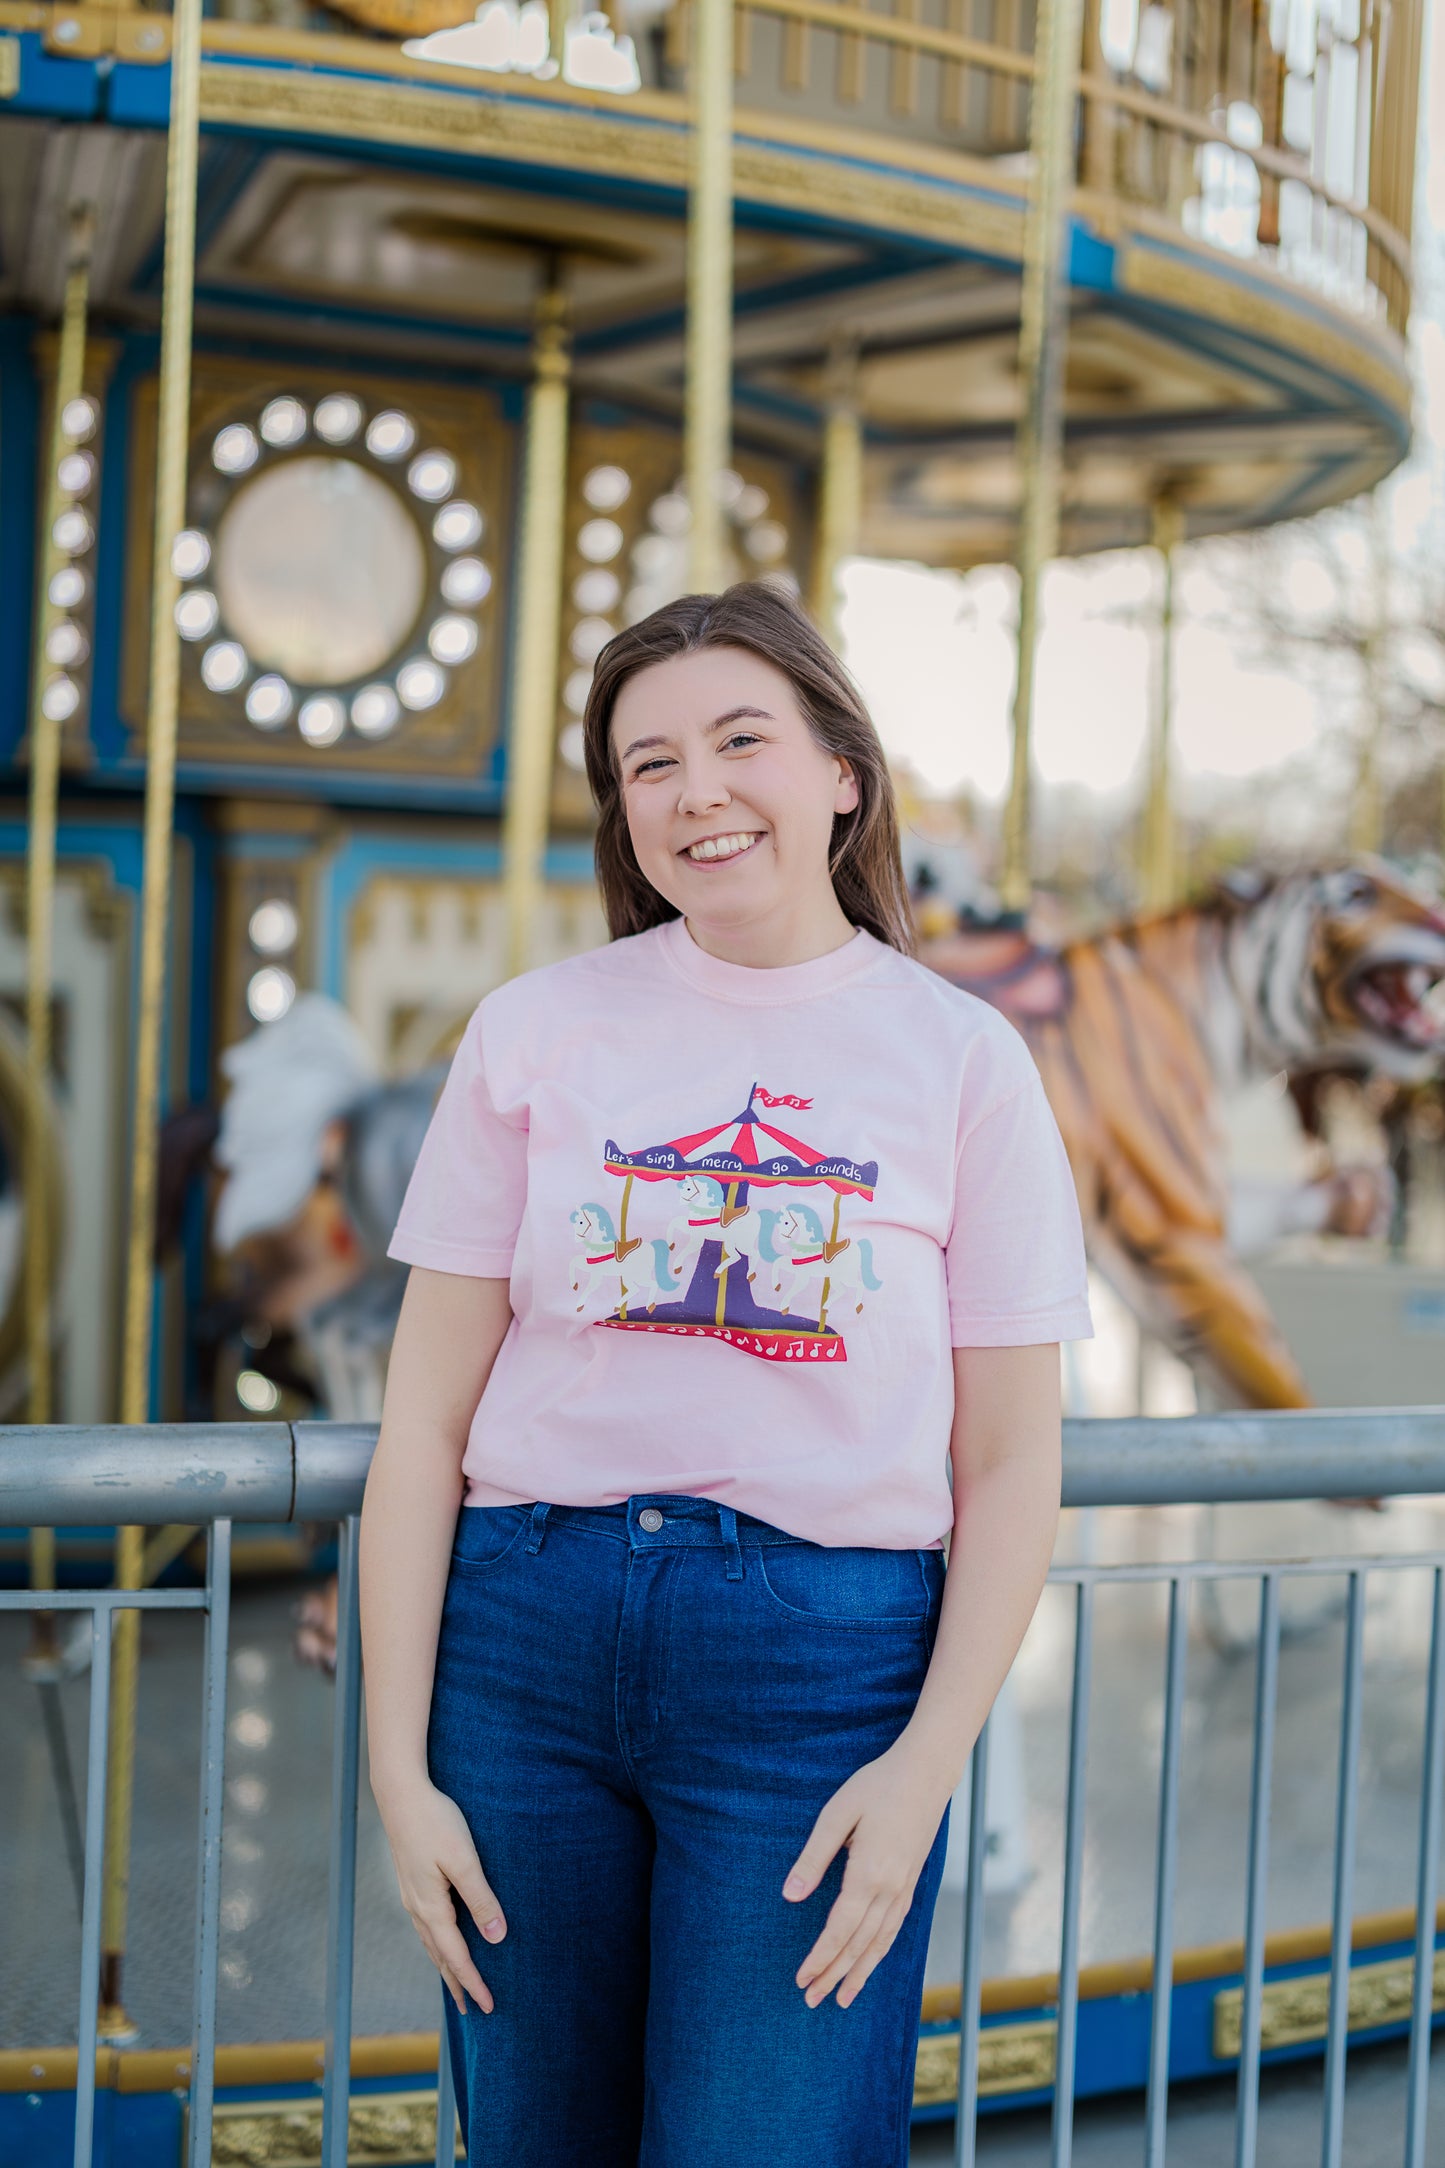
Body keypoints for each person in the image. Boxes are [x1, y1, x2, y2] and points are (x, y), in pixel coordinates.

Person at [358, 578, 1094, 2167]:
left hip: (817, 1673)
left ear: (843, 768)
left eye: (739, 740)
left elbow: (1011, 1462)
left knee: (761, 2138)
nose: (696, 792)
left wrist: (923, 1767)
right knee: (534, 2138)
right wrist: (397, 1774)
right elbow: (420, 1426)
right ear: (620, 815)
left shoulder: (961, 1061)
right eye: (647, 764)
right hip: (523, 1642)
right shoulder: (534, 1031)